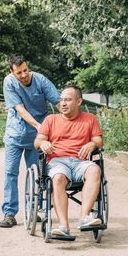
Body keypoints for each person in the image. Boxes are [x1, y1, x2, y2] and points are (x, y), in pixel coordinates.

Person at [34, 85, 103, 237]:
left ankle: (84, 218)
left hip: (80, 163)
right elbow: (37, 141)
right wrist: (43, 143)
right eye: (61, 100)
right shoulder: (51, 119)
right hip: (58, 162)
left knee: (95, 169)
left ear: (78, 102)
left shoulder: (90, 119)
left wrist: (92, 143)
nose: (63, 103)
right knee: (57, 178)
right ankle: (63, 226)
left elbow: (98, 140)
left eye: (68, 100)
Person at [0, 54, 60, 228]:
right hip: (15, 135)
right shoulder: (9, 82)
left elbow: (58, 102)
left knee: (37, 175)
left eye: (25, 70)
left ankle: (34, 210)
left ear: (28, 67)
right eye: (19, 72)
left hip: (37, 138)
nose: (24, 75)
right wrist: (39, 125)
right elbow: (20, 109)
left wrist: (68, 121)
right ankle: (9, 213)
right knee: (11, 173)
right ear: (12, 72)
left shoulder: (40, 80)